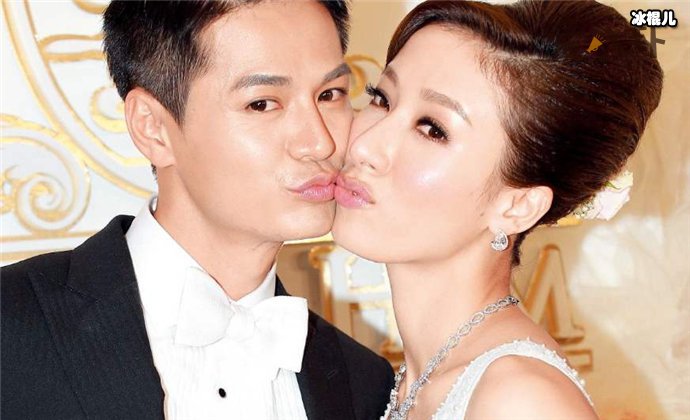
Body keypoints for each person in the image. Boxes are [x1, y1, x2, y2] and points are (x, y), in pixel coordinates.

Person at [1, 1, 393, 419]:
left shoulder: (364, 383)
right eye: (262, 103)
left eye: (330, 95)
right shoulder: (12, 326)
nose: (320, 143)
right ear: (153, 127)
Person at [332, 0, 663, 419]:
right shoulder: (414, 379)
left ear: (517, 205)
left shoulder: (522, 400)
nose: (364, 146)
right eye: (381, 98)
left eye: (432, 129)